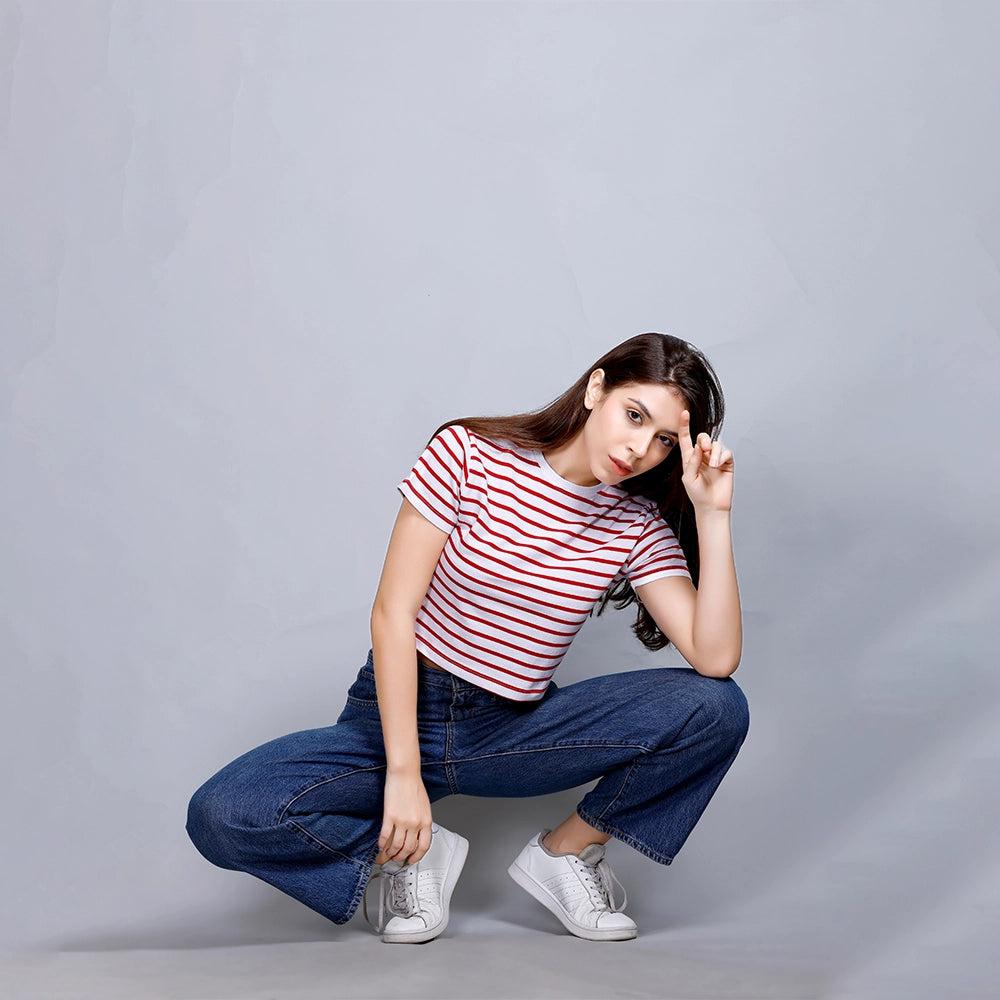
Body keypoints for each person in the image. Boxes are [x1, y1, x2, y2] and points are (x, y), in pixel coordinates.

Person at [187, 332, 749, 944]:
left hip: (512, 732)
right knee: (225, 813)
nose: (640, 448)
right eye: (634, 416)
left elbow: (715, 659)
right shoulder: (469, 454)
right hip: (398, 715)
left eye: (665, 439)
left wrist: (711, 516)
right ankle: (406, 857)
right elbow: (391, 614)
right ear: (596, 390)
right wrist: (404, 774)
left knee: (716, 708)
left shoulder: (634, 524)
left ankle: (564, 852)